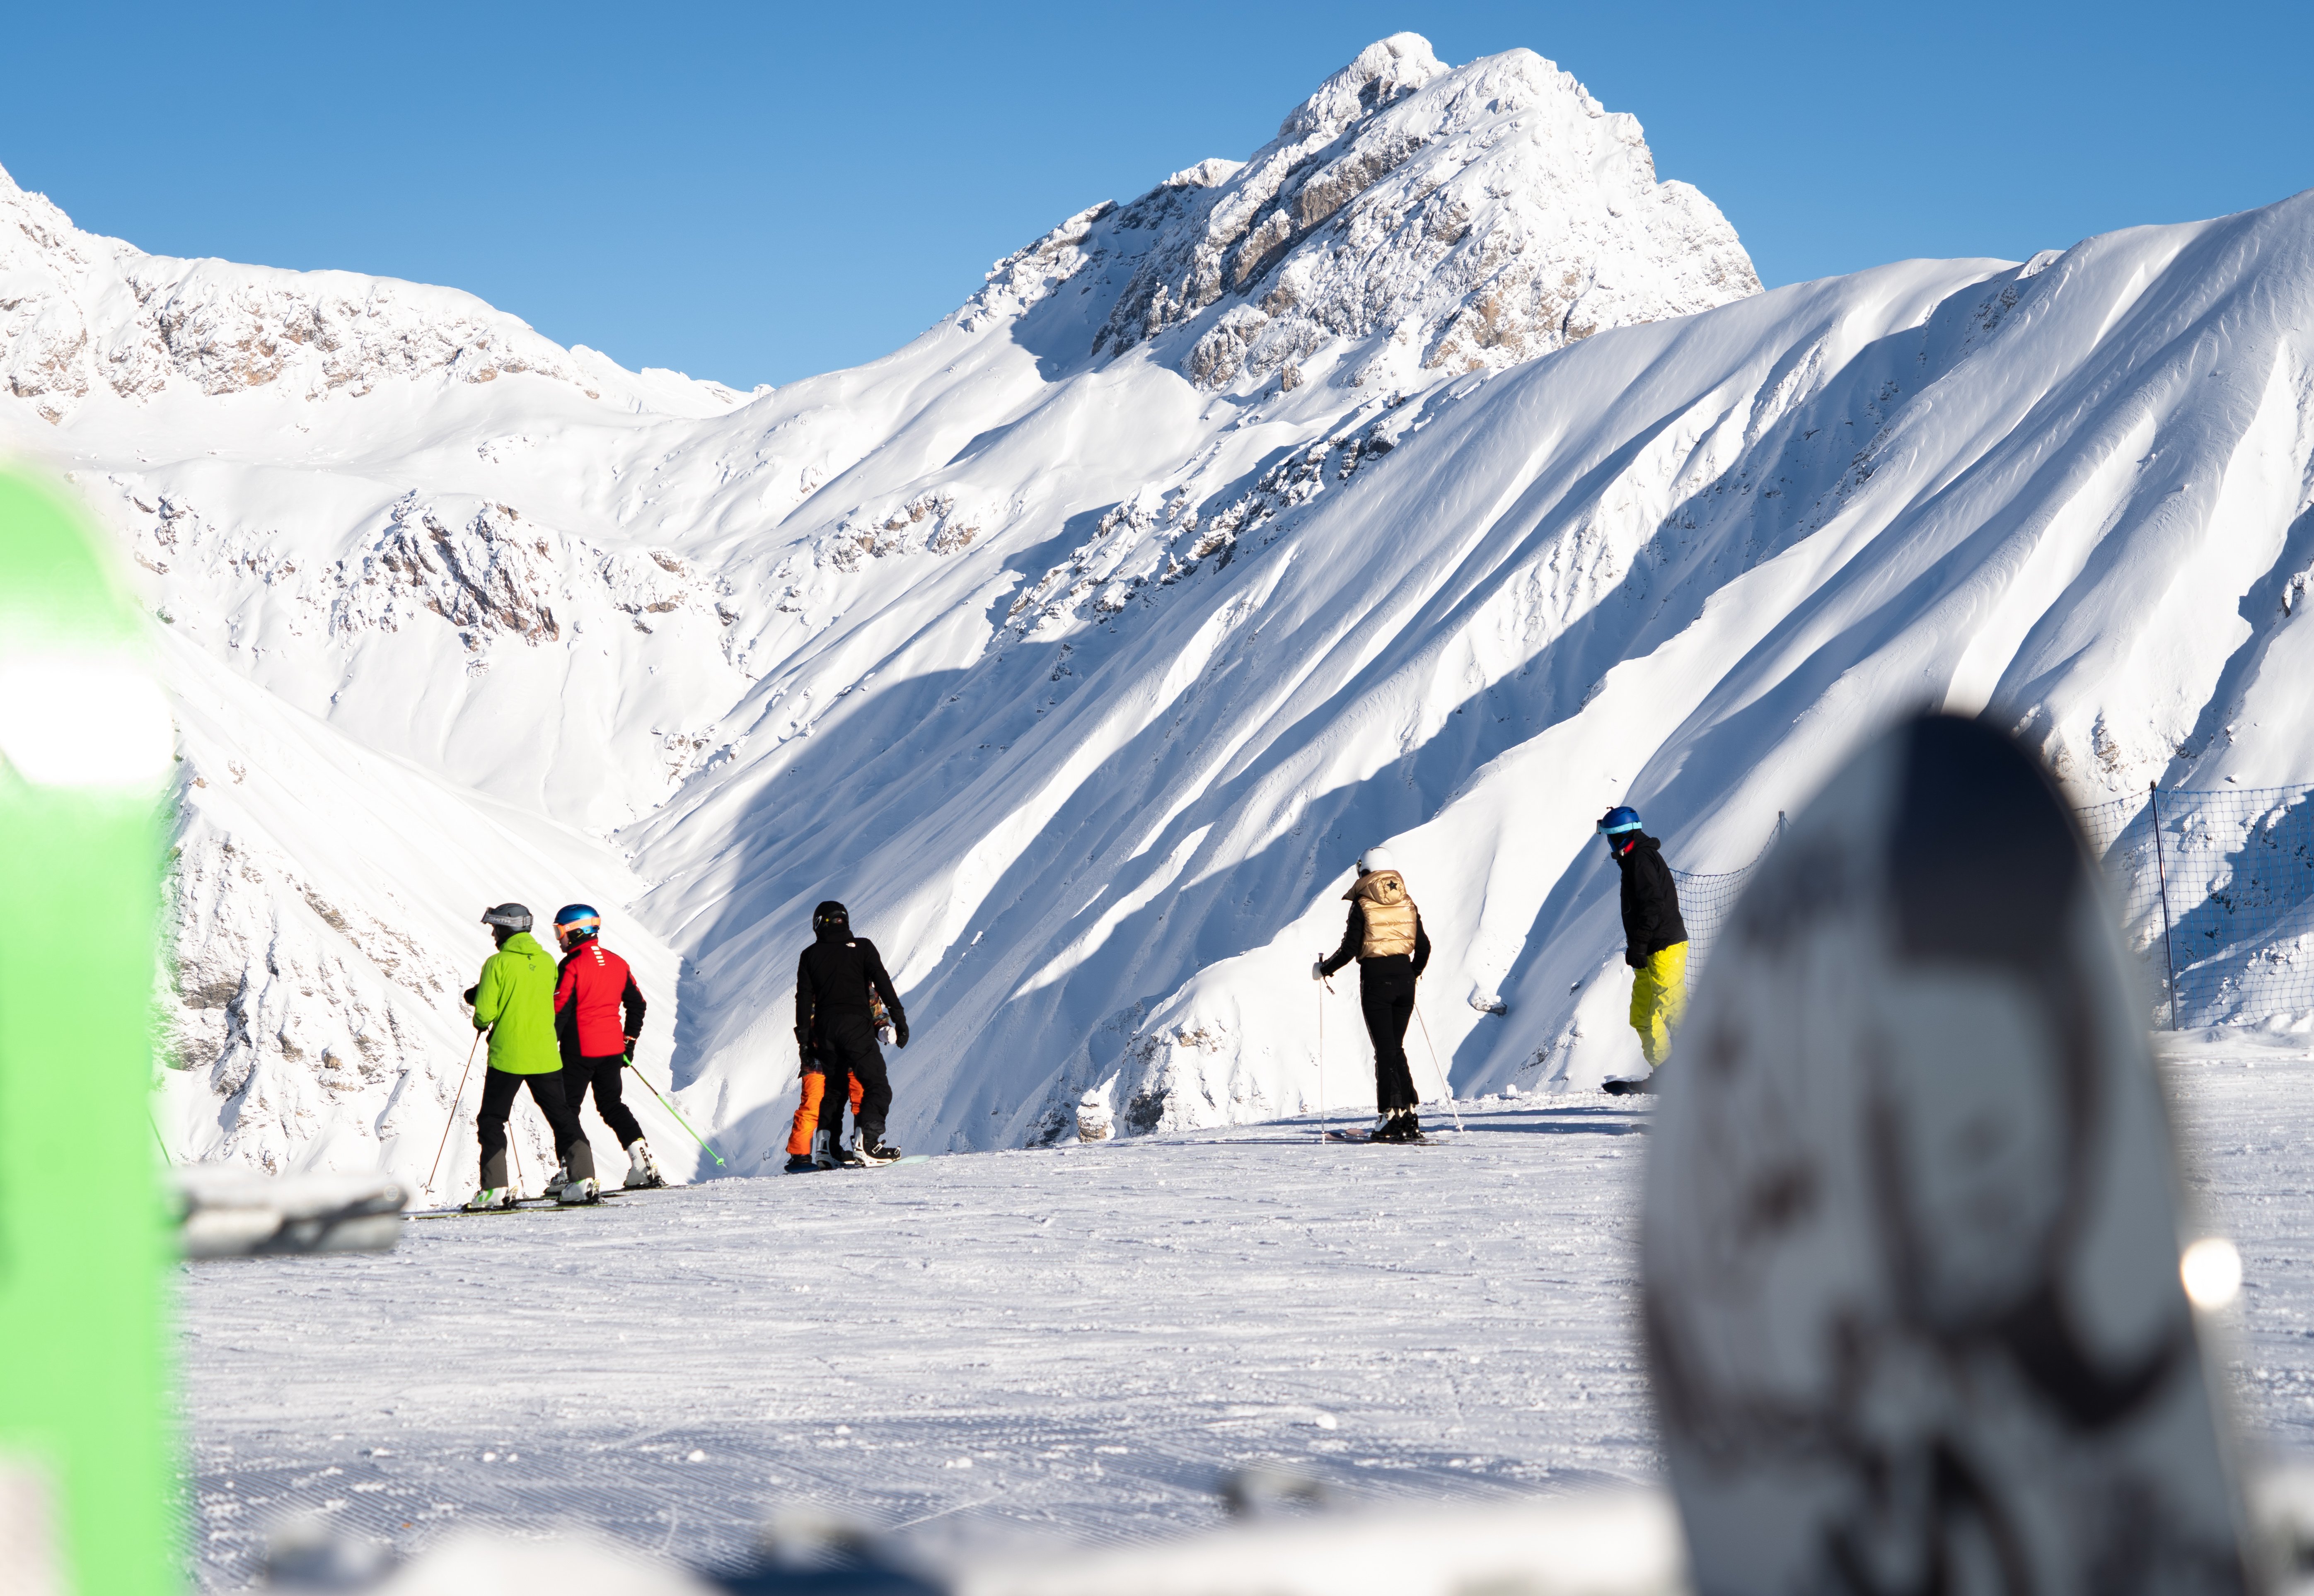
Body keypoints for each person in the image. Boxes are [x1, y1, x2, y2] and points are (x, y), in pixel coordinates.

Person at [464, 903, 597, 1207]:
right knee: (562, 1117)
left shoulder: (497, 963)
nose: (494, 934)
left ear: (504, 929)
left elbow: (485, 1013)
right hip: (546, 1053)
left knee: (492, 1119)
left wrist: (480, 1016)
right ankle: (583, 1179)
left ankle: (495, 1189)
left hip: (508, 1055)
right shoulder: (548, 961)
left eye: (495, 929)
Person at [1314, 845, 1432, 1142]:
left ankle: (1387, 1118)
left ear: (1363, 872)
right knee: (1397, 1048)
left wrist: (1324, 968)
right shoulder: (1407, 902)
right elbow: (1425, 947)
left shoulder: (1363, 904)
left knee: (1385, 1050)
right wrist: (1411, 974)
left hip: (1376, 982)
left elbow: (1350, 949)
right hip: (1405, 981)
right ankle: (1408, 1115)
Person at [549, 904, 662, 1190]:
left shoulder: (572, 964)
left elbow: (559, 1009)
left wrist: (548, 1042)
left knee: (566, 1109)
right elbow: (638, 1004)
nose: (558, 938)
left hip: (580, 1049)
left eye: (560, 931)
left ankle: (570, 1171)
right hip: (613, 1048)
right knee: (612, 1105)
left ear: (576, 931)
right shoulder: (617, 962)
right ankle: (642, 1162)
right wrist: (629, 1041)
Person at [794, 901, 909, 1166]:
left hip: (824, 1032)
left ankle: (827, 1149)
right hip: (856, 1027)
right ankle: (868, 1145)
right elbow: (882, 983)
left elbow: (803, 1001)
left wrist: (804, 1044)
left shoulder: (809, 955)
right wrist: (899, 1020)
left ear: (818, 924)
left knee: (834, 1091)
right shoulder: (864, 947)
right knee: (876, 1085)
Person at [1599, 806, 1689, 1091]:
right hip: (1649, 949)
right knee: (1642, 1015)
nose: (1609, 844)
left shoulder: (1639, 859)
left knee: (1672, 1008)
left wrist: (1638, 944)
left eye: (1609, 837)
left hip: (1663, 946)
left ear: (1619, 836)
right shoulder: (1634, 858)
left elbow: (1653, 905)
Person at [783, 1043, 864, 1173]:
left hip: (824, 1060)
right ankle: (803, 1155)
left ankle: (820, 1153)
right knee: (816, 1108)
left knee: (830, 1107)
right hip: (829, 1059)